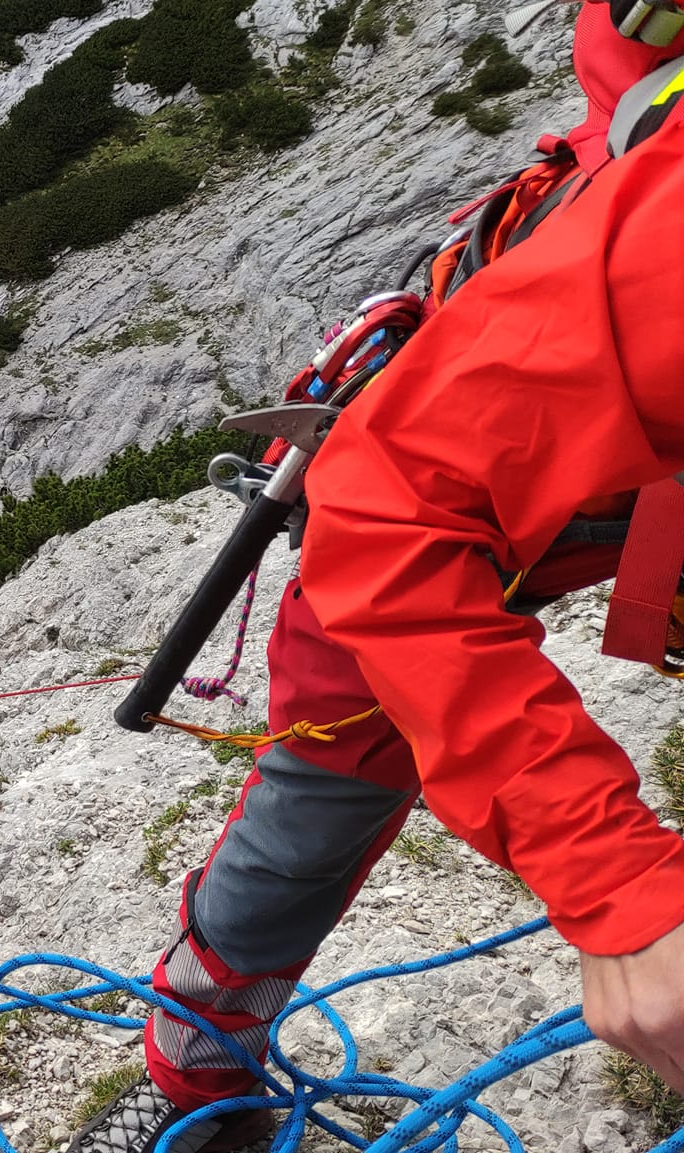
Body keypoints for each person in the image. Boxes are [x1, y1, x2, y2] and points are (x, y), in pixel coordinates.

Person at [69, 6, 684, 1150]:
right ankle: (199, 1069)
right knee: (334, 751)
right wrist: (618, 888)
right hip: (533, 387)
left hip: (598, 362)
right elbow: (389, 512)